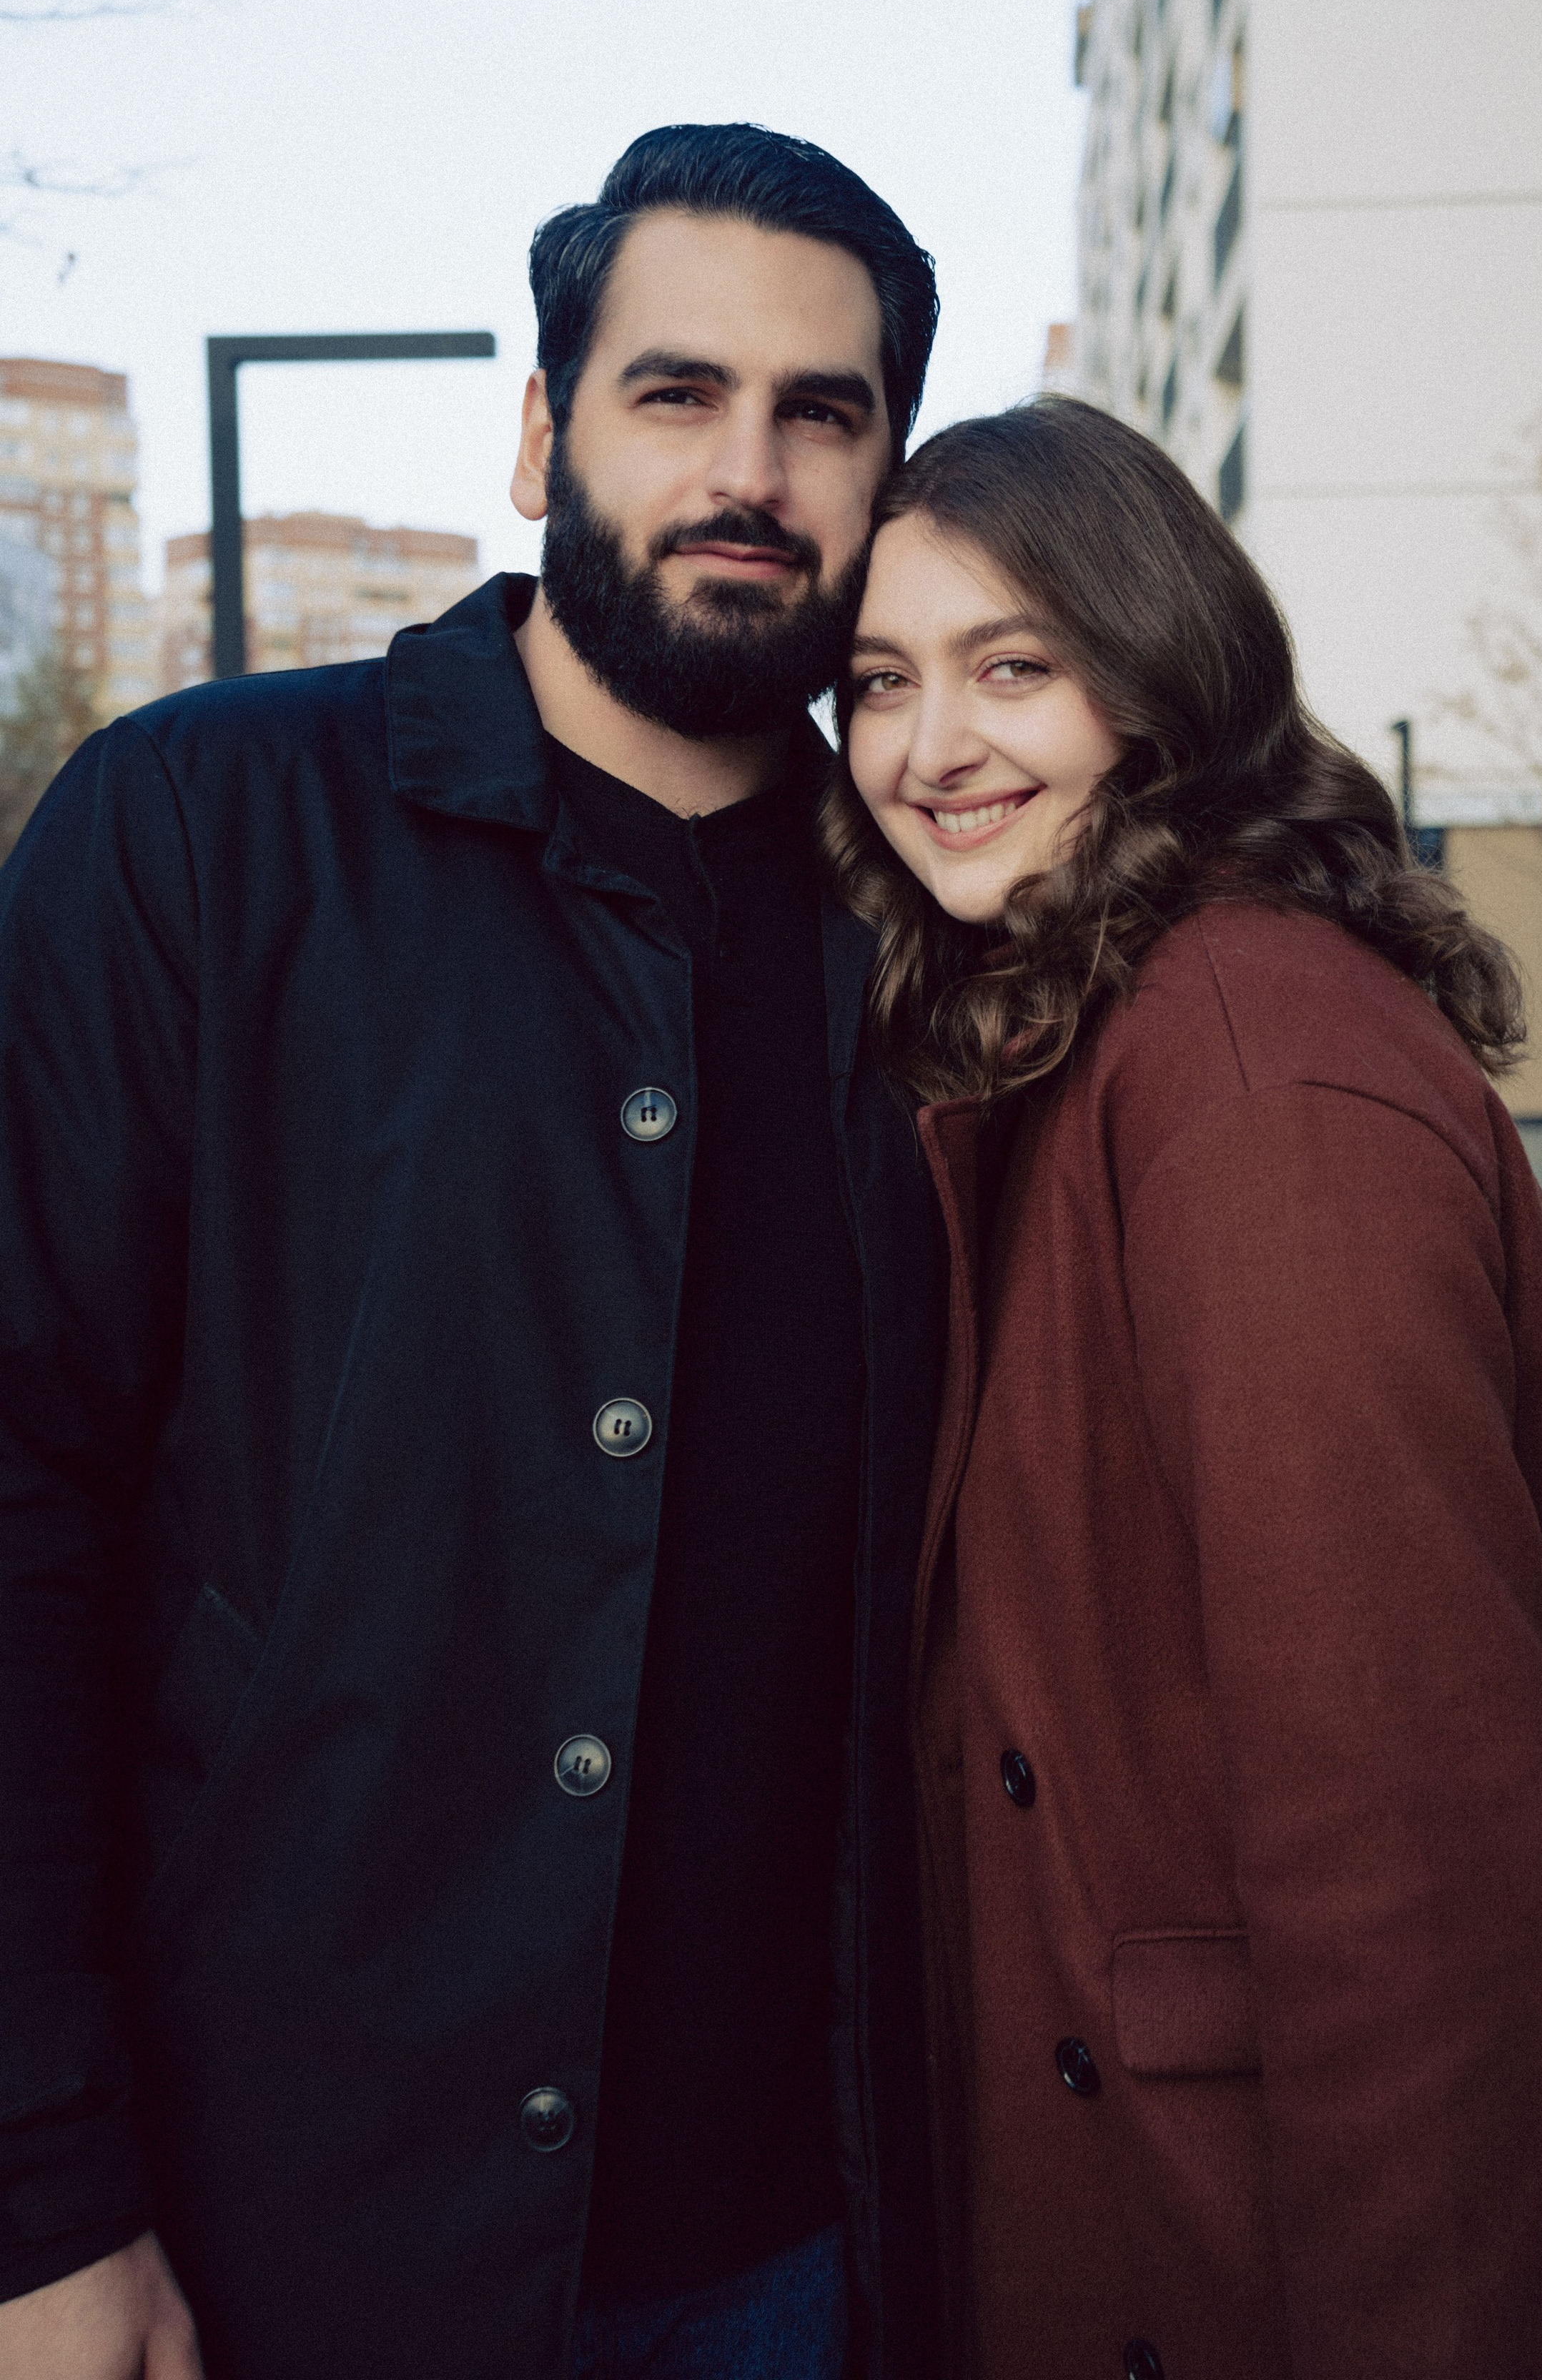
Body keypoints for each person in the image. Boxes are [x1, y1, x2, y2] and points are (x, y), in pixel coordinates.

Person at [0, 124, 952, 2380]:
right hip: (287, 2239)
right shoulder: (198, 835)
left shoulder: (937, 935)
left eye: (824, 416)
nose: (752, 470)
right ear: (542, 431)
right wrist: (45, 2199)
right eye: (675, 393)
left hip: (813, 2249)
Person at [826, 395, 1542, 2380]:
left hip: (1329, 2239)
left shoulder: (1251, 1069)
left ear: (1155, 686)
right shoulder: (1093, 1022)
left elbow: (1411, 1860)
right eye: (879, 685)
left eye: (1009, 669)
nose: (929, 751)